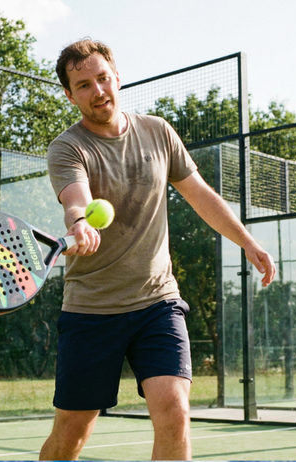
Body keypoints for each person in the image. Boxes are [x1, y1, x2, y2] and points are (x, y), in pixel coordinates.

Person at [39, 38, 276, 461]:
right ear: (69, 94)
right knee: (72, 433)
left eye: (103, 79)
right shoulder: (67, 147)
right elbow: (75, 198)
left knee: (174, 412)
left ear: (116, 77)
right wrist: (77, 221)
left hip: (157, 302)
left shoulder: (158, 131)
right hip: (92, 310)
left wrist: (248, 241)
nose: (98, 92)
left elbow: (200, 193)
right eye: (84, 86)